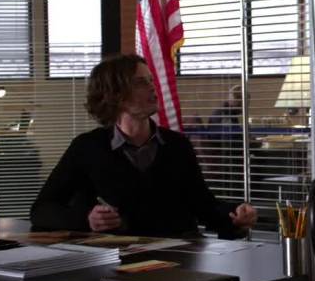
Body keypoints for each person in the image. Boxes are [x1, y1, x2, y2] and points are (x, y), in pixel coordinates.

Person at [30, 54, 257, 238]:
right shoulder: (88, 148)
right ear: (115, 94)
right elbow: (42, 209)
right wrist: (86, 219)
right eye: (141, 82)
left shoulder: (177, 145)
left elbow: (204, 206)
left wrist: (235, 214)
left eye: (150, 80)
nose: (152, 87)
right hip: (115, 262)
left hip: (178, 259)